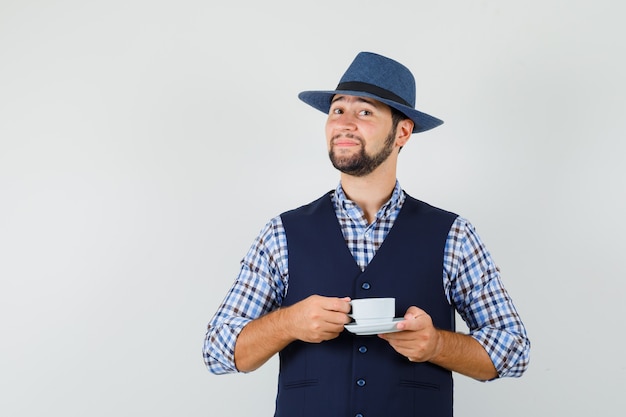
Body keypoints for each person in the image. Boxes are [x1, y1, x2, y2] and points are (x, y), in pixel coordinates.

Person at [203, 51, 530, 417]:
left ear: (402, 132)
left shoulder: (453, 235)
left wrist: (436, 344)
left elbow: (513, 350)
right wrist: (289, 322)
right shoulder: (282, 233)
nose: (344, 123)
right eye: (337, 110)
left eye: (365, 112)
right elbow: (218, 351)